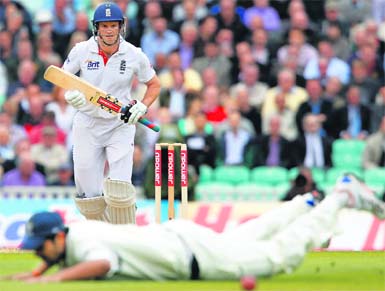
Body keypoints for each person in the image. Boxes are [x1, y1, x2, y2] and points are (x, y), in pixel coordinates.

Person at [6, 174, 385, 282]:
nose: (40, 252)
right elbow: (66, 250)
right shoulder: (75, 230)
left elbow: (101, 263)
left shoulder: (84, 246)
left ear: (57, 237)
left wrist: (54, 281)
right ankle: (304, 203)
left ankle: (341, 198)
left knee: (277, 254)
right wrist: (40, 270)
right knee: (245, 237)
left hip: (195, 258)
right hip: (181, 234)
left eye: (41, 247)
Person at [61, 2, 161, 224]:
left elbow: (154, 84)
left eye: (113, 25)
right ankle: (99, 239)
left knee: (119, 188)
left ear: (121, 27)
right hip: (87, 123)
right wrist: (71, 95)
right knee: (88, 193)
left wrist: (142, 106)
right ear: (96, 28)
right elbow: (62, 79)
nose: (109, 30)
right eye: (104, 25)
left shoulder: (134, 54)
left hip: (119, 123)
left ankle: (126, 237)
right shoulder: (81, 50)